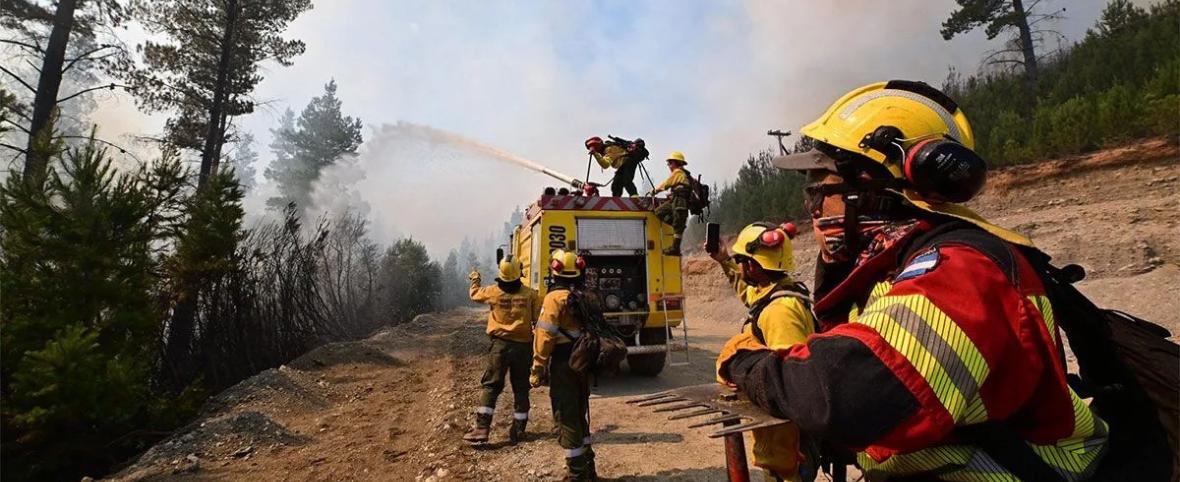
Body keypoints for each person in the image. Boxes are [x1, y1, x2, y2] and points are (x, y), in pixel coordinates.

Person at [716, 81, 1108, 481]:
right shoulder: (899, 268)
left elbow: (850, 393)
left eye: (819, 191)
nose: (812, 208)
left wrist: (742, 360)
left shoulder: (961, 269)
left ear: (868, 188)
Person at [711, 222, 817, 482]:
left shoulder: (780, 312)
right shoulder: (774, 292)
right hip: (783, 443)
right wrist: (724, 261)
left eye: (741, 261)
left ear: (753, 265)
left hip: (788, 449)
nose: (740, 267)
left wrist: (784, 458)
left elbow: (788, 383)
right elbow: (750, 295)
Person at [530, 249, 596, 481]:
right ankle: (588, 468)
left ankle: (577, 474)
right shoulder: (585, 295)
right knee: (579, 412)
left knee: (566, 417)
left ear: (555, 271)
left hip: (564, 362)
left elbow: (545, 336)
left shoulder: (554, 298)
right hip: (584, 361)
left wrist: (537, 368)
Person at [463, 256, 541, 445]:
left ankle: (482, 429)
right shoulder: (531, 294)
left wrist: (475, 279)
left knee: (491, 386)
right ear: (519, 272)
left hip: (500, 346)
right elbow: (537, 321)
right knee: (521, 388)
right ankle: (519, 430)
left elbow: (474, 294)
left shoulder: (493, 292)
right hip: (523, 347)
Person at [651, 151, 692, 256]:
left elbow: (666, 184)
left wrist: (655, 191)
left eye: (670, 163)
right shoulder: (682, 175)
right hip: (675, 200)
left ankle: (675, 249)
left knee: (678, 225)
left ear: (676, 163)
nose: (669, 166)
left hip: (680, 202)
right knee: (659, 212)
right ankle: (678, 226)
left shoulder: (678, 172)